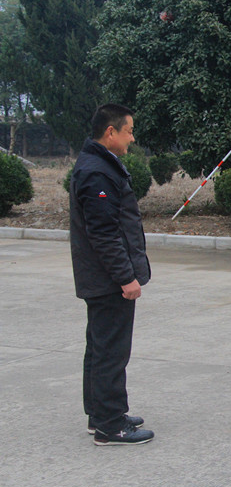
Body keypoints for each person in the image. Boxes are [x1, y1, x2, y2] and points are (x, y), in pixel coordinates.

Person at [70, 103, 154, 445]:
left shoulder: (98, 164)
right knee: (111, 351)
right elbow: (104, 234)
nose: (132, 138)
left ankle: (100, 414)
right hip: (107, 280)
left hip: (101, 277)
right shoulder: (98, 173)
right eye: (129, 131)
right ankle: (110, 425)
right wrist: (125, 277)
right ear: (111, 132)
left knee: (100, 346)